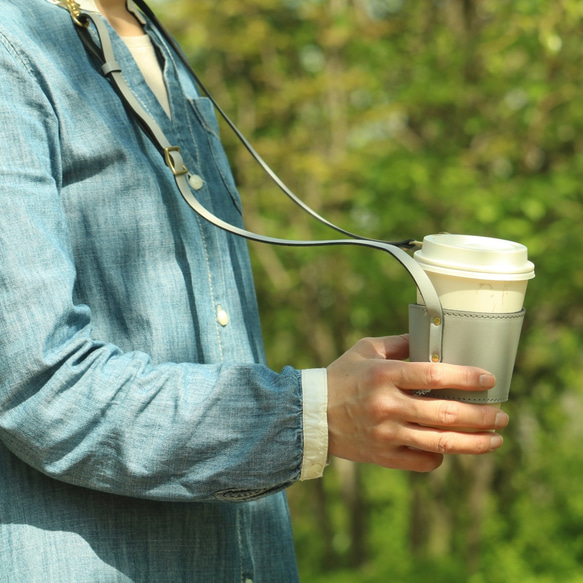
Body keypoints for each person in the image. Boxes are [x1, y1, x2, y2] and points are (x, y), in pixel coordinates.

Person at [0, 0, 508, 581]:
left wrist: (333, 406)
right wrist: (314, 412)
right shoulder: (13, 47)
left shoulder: (155, 41)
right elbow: (40, 386)